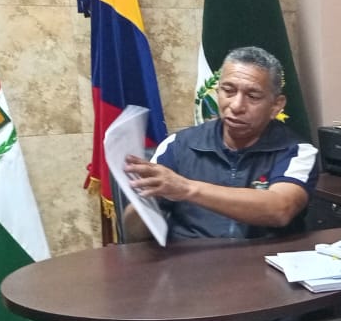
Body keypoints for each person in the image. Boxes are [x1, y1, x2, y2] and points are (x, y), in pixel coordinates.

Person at [122, 45, 318, 242]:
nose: (236, 106)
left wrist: (186, 189)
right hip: (187, 257)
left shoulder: (296, 151)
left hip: (262, 257)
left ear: (276, 105)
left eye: (252, 96)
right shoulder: (177, 145)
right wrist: (144, 206)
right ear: (218, 92)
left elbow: (280, 209)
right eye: (228, 91)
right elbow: (134, 235)